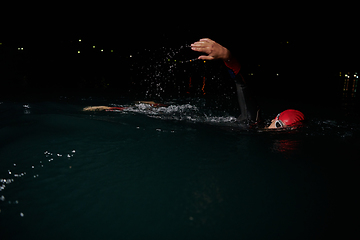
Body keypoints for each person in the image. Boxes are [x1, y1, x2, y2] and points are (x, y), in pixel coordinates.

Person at [191, 38, 305, 129]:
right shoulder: (251, 121)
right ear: (273, 120)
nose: (278, 132)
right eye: (278, 125)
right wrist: (227, 56)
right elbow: (242, 84)